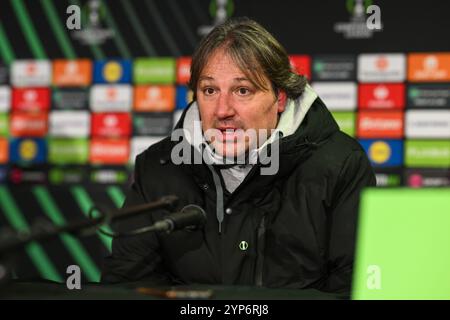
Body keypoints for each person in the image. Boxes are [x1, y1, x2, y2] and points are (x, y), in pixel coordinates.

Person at [101, 17, 376, 294]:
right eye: (210, 91)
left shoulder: (341, 165)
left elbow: (354, 290)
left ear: (279, 97)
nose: (222, 110)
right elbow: (129, 285)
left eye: (242, 90)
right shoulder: (158, 167)